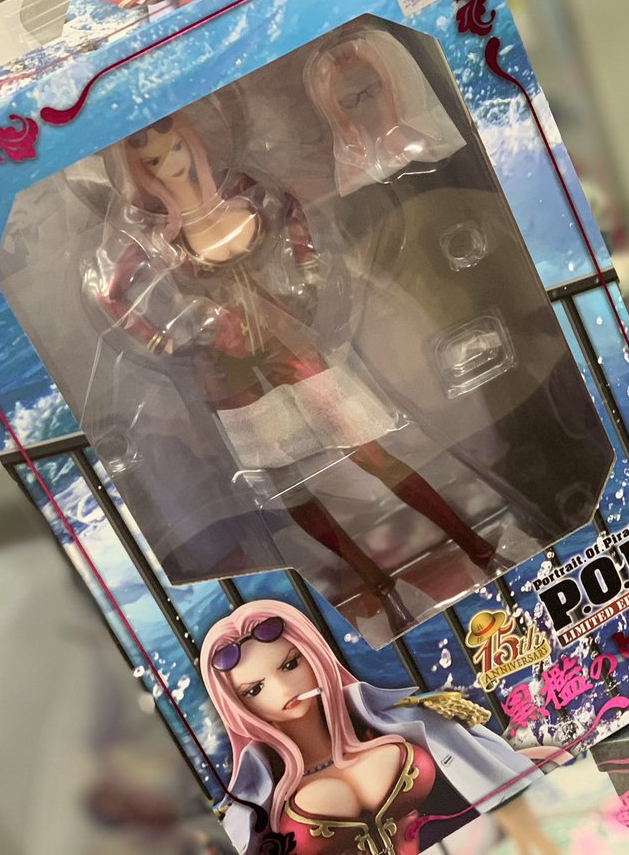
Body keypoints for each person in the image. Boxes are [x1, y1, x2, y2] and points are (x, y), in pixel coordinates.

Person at [85, 109, 497, 628]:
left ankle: (474, 543)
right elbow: (109, 293)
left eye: (175, 149)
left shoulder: (242, 189)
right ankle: (376, 583)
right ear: (141, 173)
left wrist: (308, 274)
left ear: (192, 142)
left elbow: (293, 211)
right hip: (224, 365)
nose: (171, 164)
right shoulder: (156, 234)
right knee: (288, 486)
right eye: (154, 162)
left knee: (369, 448)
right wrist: (167, 339)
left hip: (285, 337)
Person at [200, 600, 556, 854]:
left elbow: (491, 770)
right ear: (237, 704)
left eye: (291, 664)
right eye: (254, 690)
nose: (282, 689)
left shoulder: (407, 719)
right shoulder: (249, 808)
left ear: (314, 656)